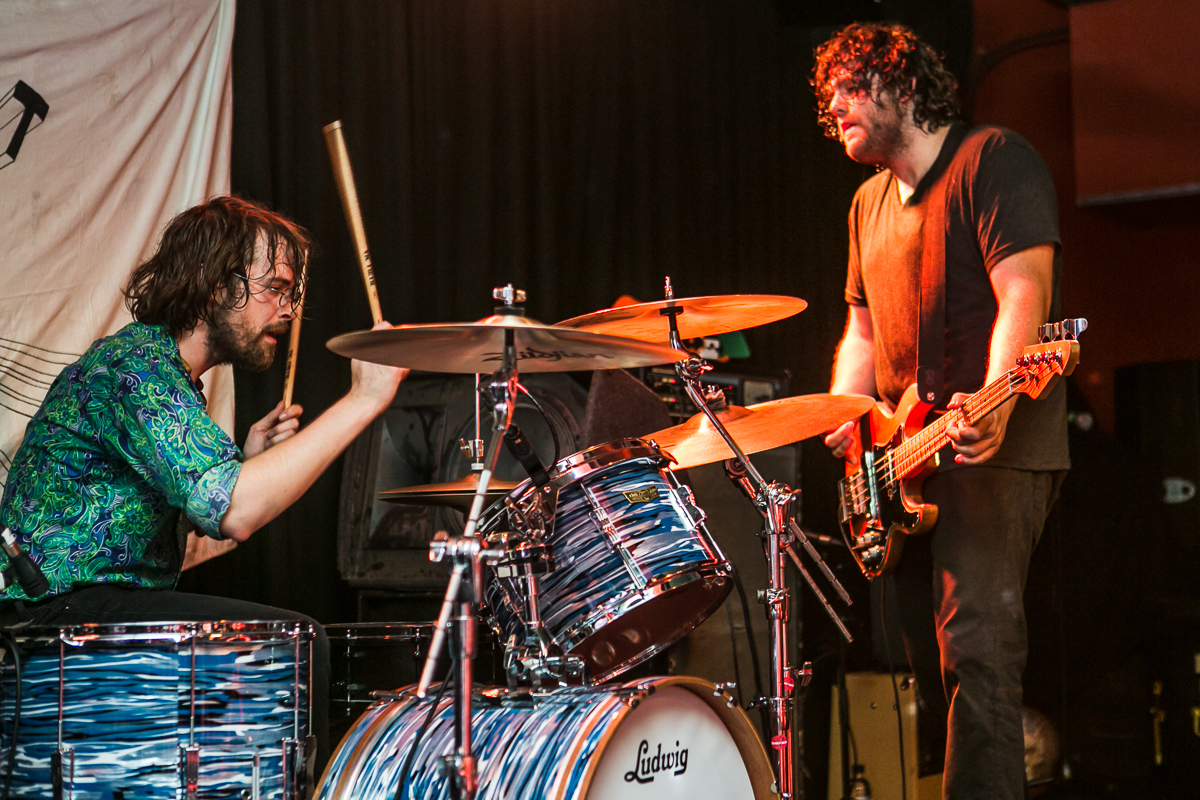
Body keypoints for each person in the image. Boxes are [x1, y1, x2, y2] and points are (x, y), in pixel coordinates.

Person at [0, 195, 407, 771]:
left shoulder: (167, 374)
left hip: (85, 610)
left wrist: (245, 461)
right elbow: (236, 512)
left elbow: (175, 510)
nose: (289, 309)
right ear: (217, 284)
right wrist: (365, 398)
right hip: (51, 617)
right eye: (275, 288)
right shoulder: (134, 368)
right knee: (293, 647)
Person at [812, 23, 1069, 799]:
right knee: (933, 667)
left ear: (902, 85)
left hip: (992, 447)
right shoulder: (865, 205)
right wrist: (854, 425)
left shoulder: (992, 160)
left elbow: (1024, 288)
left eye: (850, 89)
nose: (836, 108)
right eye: (829, 100)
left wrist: (992, 397)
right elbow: (859, 330)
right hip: (906, 461)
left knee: (979, 656)